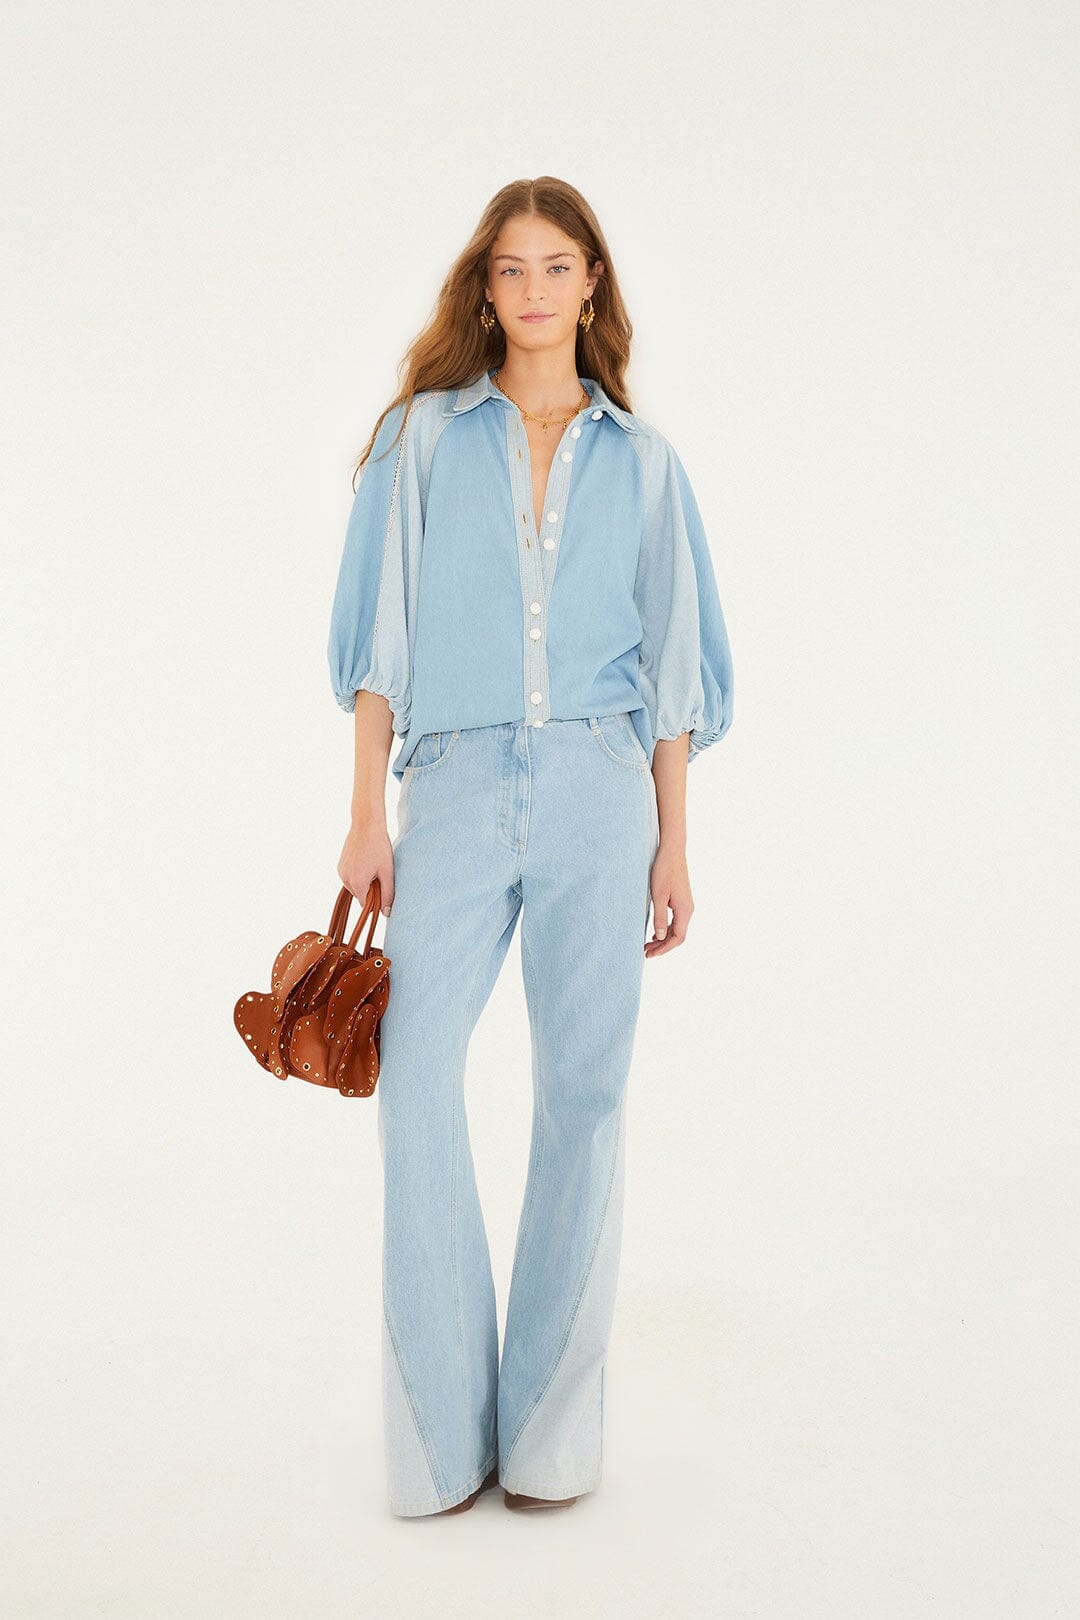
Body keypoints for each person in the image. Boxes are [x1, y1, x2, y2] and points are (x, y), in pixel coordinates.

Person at [327, 176, 734, 1518]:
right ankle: (442, 1438)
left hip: (601, 793)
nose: (537, 290)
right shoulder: (423, 439)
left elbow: (674, 665)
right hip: (450, 784)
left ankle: (553, 1437)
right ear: (486, 288)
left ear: (592, 283)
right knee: (414, 1079)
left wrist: (673, 844)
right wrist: (366, 813)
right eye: (513, 269)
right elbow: (379, 636)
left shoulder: (646, 461)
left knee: (586, 1096)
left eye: (559, 266)